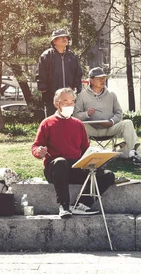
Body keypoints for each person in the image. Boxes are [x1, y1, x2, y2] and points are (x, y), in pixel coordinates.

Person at [31, 87, 115, 218]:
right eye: (65, 101)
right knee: (60, 162)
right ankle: (64, 206)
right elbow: (36, 146)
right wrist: (39, 151)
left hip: (76, 167)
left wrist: (98, 158)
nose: (69, 105)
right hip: (55, 169)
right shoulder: (47, 123)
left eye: (72, 102)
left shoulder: (78, 124)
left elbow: (86, 150)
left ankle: (82, 204)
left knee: (108, 175)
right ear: (56, 103)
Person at [73, 67, 141, 164]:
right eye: (99, 78)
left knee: (127, 123)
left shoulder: (111, 94)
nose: (103, 80)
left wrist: (112, 121)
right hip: (92, 129)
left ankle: (136, 154)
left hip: (110, 128)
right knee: (79, 125)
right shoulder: (82, 95)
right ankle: (79, 155)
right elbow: (76, 116)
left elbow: (119, 113)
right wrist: (87, 114)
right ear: (91, 80)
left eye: (104, 78)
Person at [36, 28, 83, 117]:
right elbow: (40, 75)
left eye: (66, 37)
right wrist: (44, 90)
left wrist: (77, 89)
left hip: (69, 98)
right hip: (52, 98)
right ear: (54, 41)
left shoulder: (72, 57)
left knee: (68, 123)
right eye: (61, 37)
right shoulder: (46, 56)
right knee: (53, 123)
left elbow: (78, 74)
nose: (65, 39)